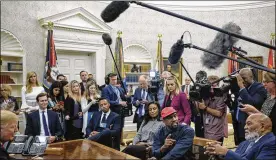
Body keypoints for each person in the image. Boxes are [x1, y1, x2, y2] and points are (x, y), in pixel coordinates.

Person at [204, 113, 276, 160]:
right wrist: (218, 153)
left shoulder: (272, 143)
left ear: (262, 126)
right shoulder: (244, 143)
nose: (244, 127)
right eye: (245, 124)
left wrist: (226, 152)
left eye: (249, 124)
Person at [233, 68, 267, 144]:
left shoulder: (260, 88)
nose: (242, 80)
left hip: (252, 127)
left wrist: (242, 87)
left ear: (251, 77)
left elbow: (252, 103)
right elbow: (237, 104)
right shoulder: (238, 87)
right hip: (239, 125)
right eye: (240, 78)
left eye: (244, 78)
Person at [196, 75, 228, 143]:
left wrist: (205, 108)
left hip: (216, 129)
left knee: (215, 150)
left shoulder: (221, 95)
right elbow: (198, 110)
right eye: (210, 86)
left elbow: (219, 113)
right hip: (206, 127)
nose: (212, 88)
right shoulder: (205, 95)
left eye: (214, 85)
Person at [101, 72, 128, 147]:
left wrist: (126, 98)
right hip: (113, 113)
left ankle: (118, 146)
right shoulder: (106, 89)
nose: (114, 81)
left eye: (115, 79)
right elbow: (107, 101)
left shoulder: (120, 88)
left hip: (121, 112)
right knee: (112, 130)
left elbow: (124, 98)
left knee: (119, 129)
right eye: (112, 80)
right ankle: (112, 147)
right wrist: (119, 103)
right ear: (109, 79)